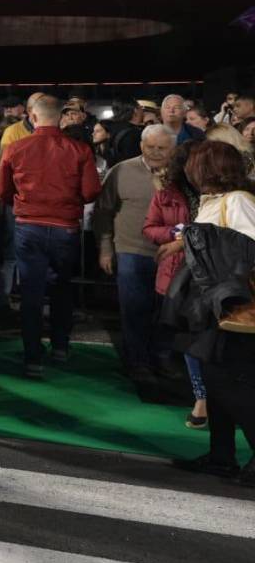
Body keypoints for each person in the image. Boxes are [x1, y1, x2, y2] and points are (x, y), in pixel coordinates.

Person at [0, 94, 102, 377]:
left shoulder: (15, 148)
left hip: (28, 225)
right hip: (65, 226)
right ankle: (60, 347)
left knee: (31, 293)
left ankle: (32, 357)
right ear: (60, 117)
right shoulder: (79, 150)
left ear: (33, 117)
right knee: (62, 288)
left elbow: (3, 192)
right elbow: (91, 191)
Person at [170, 140, 255, 487]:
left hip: (232, 305)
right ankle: (221, 457)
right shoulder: (218, 201)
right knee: (216, 381)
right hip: (214, 305)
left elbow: (248, 249)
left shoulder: (237, 201)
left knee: (230, 383)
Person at [96, 124, 176, 394]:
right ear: (141, 145)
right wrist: (105, 248)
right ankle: (138, 362)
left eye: (162, 148)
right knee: (134, 311)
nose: (155, 152)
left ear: (173, 149)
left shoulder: (181, 174)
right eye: (150, 147)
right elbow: (103, 212)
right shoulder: (121, 171)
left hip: (171, 254)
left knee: (167, 311)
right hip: (131, 251)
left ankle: (161, 357)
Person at [143, 141, 206, 429]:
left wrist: (184, 239)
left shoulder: (223, 195)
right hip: (178, 275)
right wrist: (172, 234)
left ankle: (207, 399)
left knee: (204, 339)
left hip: (211, 276)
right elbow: (150, 228)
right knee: (188, 339)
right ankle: (201, 397)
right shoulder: (166, 194)